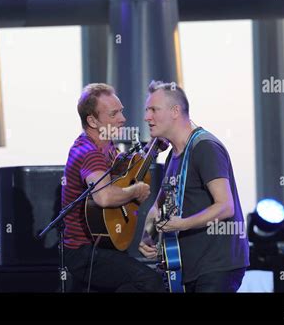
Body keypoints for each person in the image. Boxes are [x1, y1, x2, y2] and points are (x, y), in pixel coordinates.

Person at [139, 81, 249, 292]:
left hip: (216, 266)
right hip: (189, 266)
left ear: (175, 111)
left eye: (154, 110)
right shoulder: (174, 155)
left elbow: (226, 206)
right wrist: (147, 235)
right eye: (147, 110)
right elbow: (159, 206)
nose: (147, 117)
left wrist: (183, 224)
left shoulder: (205, 147)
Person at [62, 83, 165, 292]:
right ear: (92, 120)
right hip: (85, 254)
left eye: (121, 111)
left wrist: (152, 149)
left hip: (104, 244)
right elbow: (104, 198)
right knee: (150, 282)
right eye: (114, 113)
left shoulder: (107, 146)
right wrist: (135, 192)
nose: (122, 118)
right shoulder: (89, 153)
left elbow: (129, 173)